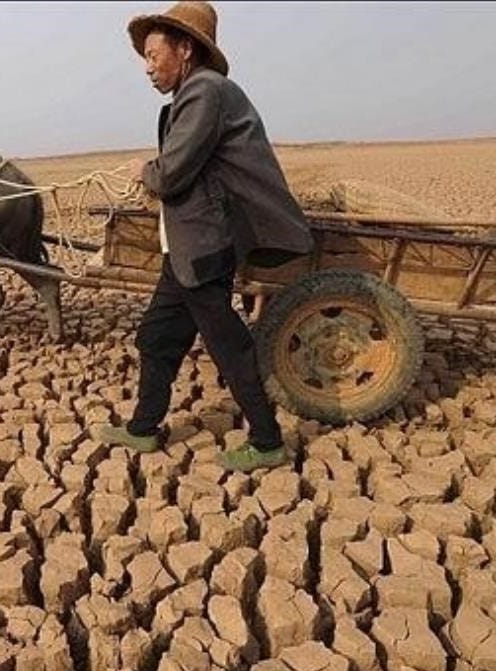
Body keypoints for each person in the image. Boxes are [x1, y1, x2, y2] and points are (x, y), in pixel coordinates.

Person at [94, 1, 315, 472]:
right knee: (157, 337)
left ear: (186, 48)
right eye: (145, 58)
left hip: (205, 245)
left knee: (228, 345)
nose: (148, 67)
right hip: (186, 248)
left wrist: (144, 170)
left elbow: (171, 174)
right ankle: (143, 429)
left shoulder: (205, 92)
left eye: (154, 55)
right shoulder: (195, 95)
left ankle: (268, 440)